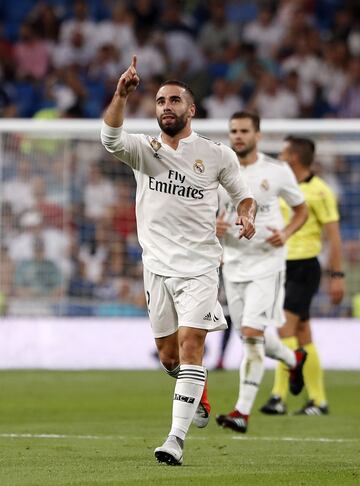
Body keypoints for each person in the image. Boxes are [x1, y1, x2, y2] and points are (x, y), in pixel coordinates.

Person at [100, 57, 256, 466]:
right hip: (156, 268)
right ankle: (198, 391)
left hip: (201, 268)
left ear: (192, 110)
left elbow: (243, 194)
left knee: (191, 346)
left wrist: (246, 213)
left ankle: (175, 440)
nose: (166, 106)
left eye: (174, 100)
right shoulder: (144, 150)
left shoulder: (216, 154)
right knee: (170, 357)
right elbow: (110, 138)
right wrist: (121, 95)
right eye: (160, 101)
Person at [215, 111, 308, 433]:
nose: (238, 136)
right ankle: (293, 359)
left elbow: (302, 209)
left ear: (258, 135)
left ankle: (241, 412)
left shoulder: (277, 171)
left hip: (267, 263)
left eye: (244, 131)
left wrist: (288, 232)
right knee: (248, 336)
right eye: (233, 131)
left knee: (252, 335)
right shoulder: (219, 171)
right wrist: (214, 225)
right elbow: (206, 213)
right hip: (233, 263)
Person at [260, 136, 345, 416]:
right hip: (280, 266)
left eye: (284, 151)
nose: (280, 155)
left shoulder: (320, 191)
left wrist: (337, 276)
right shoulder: (282, 186)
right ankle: (318, 401)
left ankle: (278, 397)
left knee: (283, 330)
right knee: (302, 333)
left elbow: (333, 237)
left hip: (305, 267)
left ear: (294, 157)